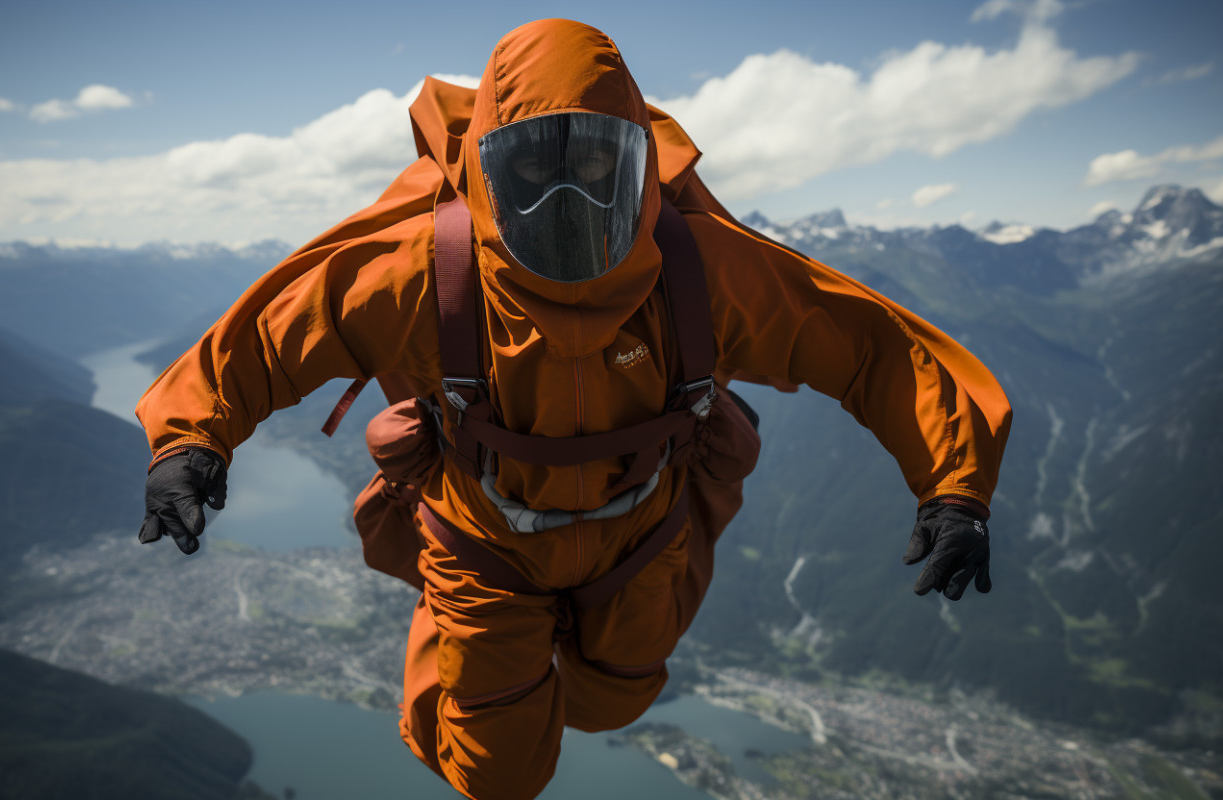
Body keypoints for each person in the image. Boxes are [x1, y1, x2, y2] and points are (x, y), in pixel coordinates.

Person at [135, 18, 1011, 800]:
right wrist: (189, 439)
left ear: (635, 159)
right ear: (487, 170)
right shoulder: (421, 274)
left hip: (639, 541)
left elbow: (870, 349)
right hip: (487, 552)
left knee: (611, 704)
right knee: (500, 776)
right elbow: (265, 339)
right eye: (534, 166)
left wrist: (955, 485)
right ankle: (436, 646)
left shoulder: (701, 272)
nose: (568, 198)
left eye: (593, 163)